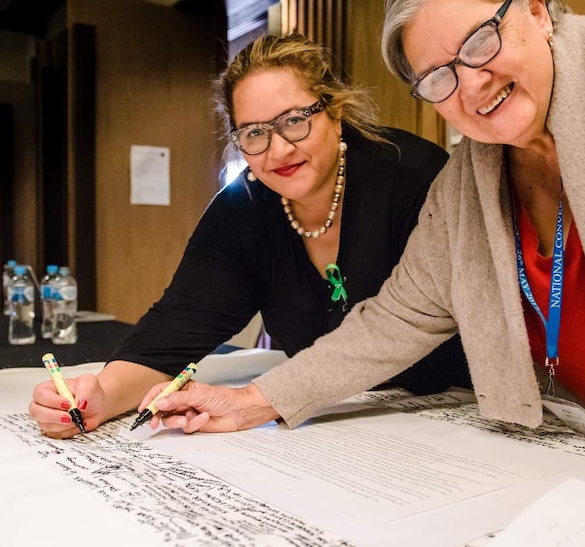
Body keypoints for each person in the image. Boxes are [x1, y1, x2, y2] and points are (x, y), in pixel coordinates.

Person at [140, 0, 585, 544]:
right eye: (437, 77)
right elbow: (400, 316)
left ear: (535, 10)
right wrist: (254, 401)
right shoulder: (467, 181)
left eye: (480, 42)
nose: (470, 83)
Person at [28, 33, 471, 438]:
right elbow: (171, 333)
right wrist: (101, 396)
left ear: (335, 114)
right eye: (255, 133)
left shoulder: (412, 177)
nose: (278, 149)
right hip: (326, 430)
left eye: (295, 121)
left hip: (456, 418)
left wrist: (254, 401)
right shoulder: (242, 210)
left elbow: (415, 324)